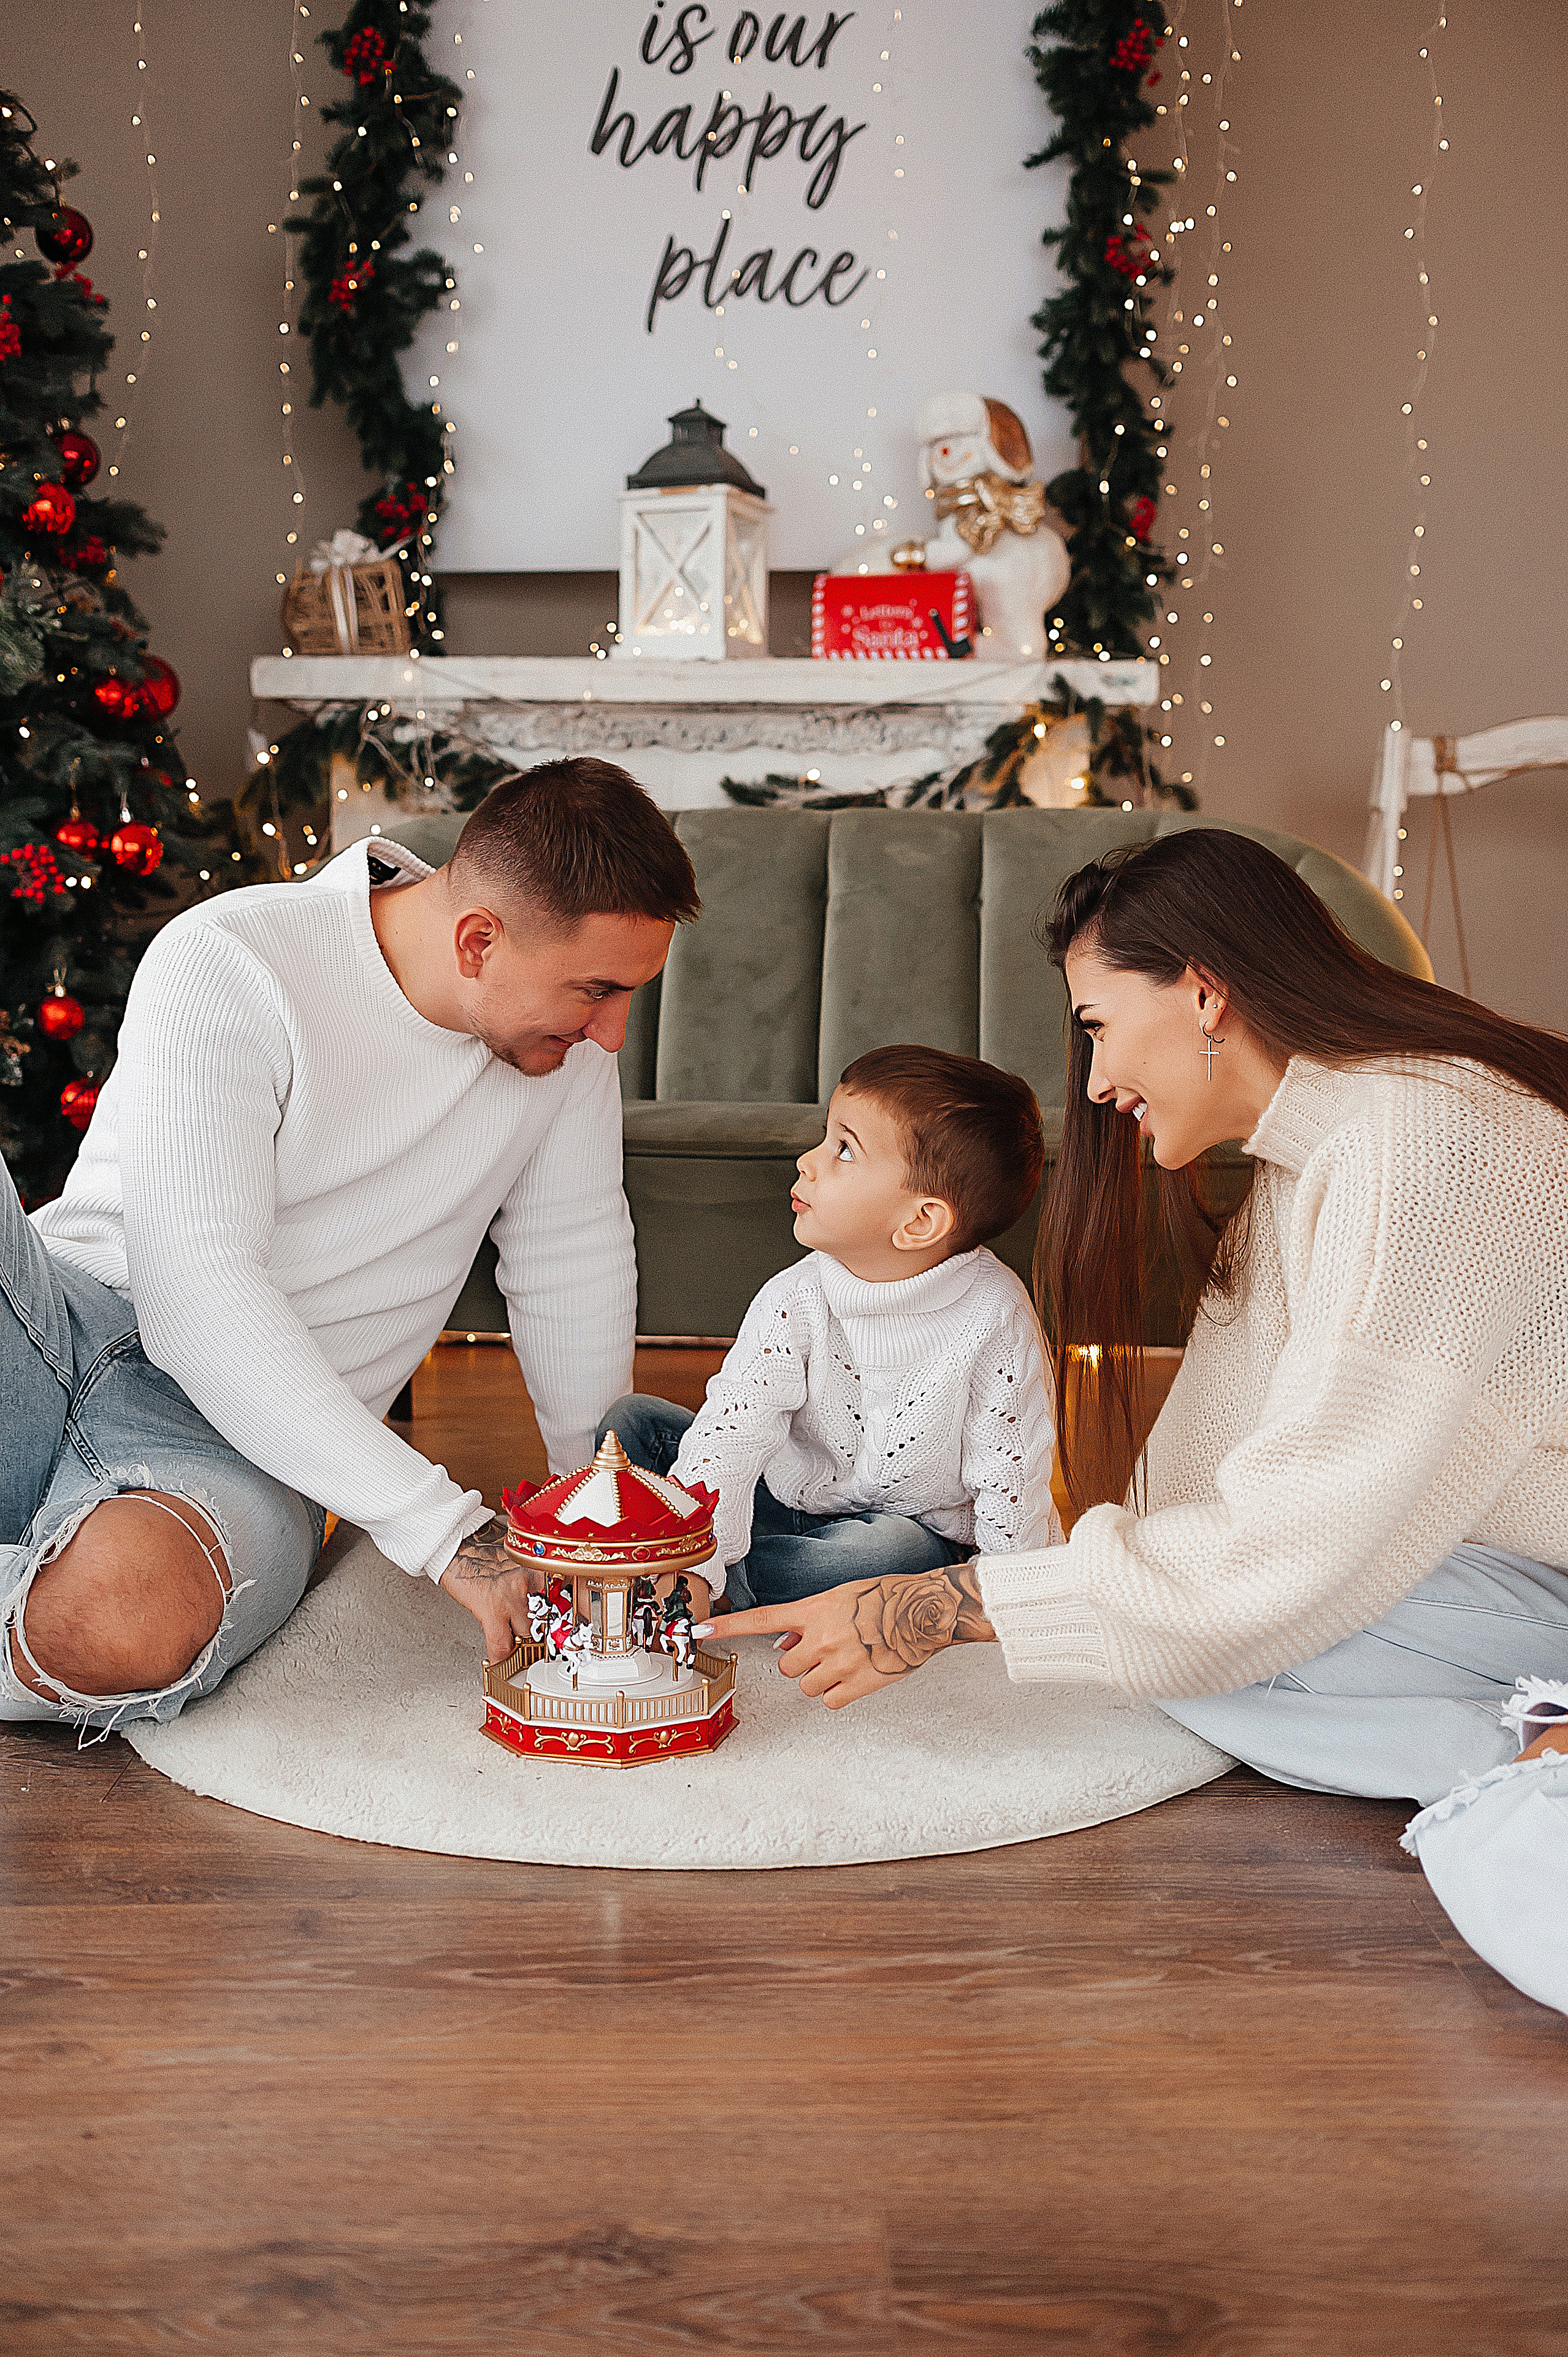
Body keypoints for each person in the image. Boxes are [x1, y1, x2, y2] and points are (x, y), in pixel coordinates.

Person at [719, 830, 1568, 2014]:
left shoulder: (1422, 1142)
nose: (1096, 1079)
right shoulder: (1324, 1149)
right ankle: (1521, 1732)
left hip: (1529, 1585)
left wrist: (947, 1605)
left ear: (1205, 994)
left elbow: (1288, 1544)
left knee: (1215, 1625)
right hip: (1489, 1577)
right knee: (1164, 1638)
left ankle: (1526, 1770)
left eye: (1097, 1024)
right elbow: (1198, 1506)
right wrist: (1067, 1599)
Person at [2, 757, 699, 1733]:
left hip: (245, 1456)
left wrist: (597, 1510)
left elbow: (569, 1257)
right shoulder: (231, 957)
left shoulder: (563, 1054)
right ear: (477, 939)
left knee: (121, 1627)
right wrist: (446, 1531)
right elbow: (194, 1291)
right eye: (596, 989)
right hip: (53, 1324)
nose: (613, 1032)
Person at [604, 1044, 1058, 1612]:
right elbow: (734, 1428)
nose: (807, 1161)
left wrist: (1007, 1595)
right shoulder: (794, 1294)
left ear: (920, 1221)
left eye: (843, 1149)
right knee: (632, 1425)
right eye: (825, 1137)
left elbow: (1009, 1472)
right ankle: (707, 1564)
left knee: (884, 1553)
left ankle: (698, 1573)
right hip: (785, 1497)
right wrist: (698, 1560)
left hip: (906, 1531)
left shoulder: (995, 1315)